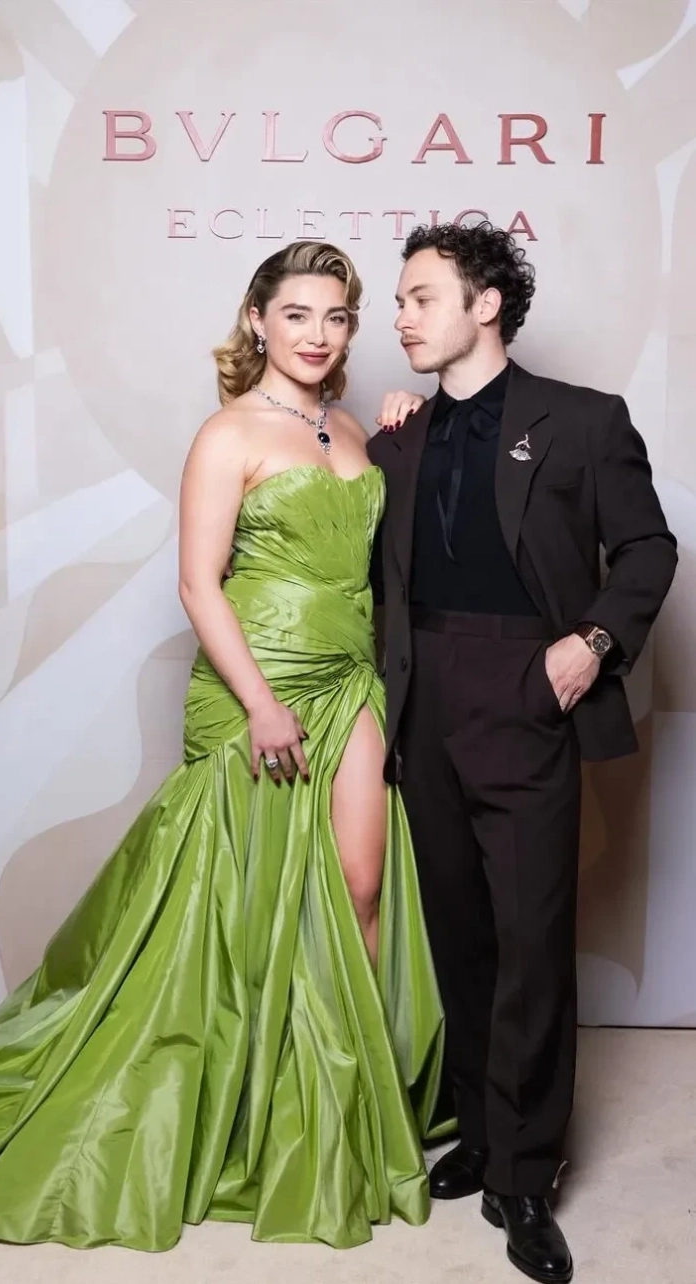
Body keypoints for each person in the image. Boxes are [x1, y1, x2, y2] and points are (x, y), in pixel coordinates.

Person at [0, 241, 451, 1253]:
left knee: (359, 883)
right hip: (260, 685)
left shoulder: (354, 427)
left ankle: (341, 1102)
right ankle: (244, 1096)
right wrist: (259, 704)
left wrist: (410, 423)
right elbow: (197, 584)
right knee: (243, 893)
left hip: (350, 677)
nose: (318, 334)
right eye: (297, 313)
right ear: (257, 319)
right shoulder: (228, 433)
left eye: (337, 316)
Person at [368, 222, 678, 1284]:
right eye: (398, 301)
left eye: (419, 297)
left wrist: (591, 643)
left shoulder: (583, 421)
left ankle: (527, 1175)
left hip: (528, 689)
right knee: (460, 936)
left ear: (485, 304)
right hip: (423, 699)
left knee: (531, 941)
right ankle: (480, 1133)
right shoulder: (398, 439)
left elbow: (647, 548)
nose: (400, 317)